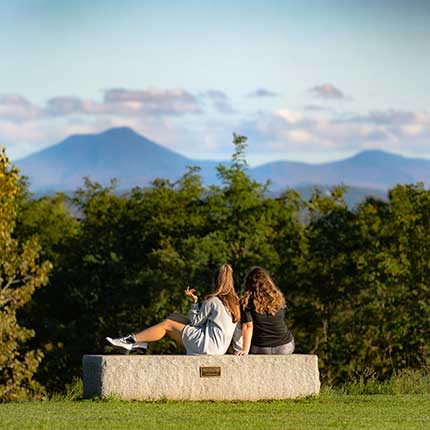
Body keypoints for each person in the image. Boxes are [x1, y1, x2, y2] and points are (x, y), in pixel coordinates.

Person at [106, 263, 241, 355]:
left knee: (168, 324)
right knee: (174, 316)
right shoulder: (235, 303)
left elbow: (195, 322)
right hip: (219, 348)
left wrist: (194, 303)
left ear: (215, 281)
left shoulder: (212, 300)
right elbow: (238, 329)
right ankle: (141, 343)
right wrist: (240, 349)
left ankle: (130, 341)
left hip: (207, 346)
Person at [236, 266, 294, 355]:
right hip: (285, 345)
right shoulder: (278, 298)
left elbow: (248, 326)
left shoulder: (246, 302)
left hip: (261, 347)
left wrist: (245, 350)